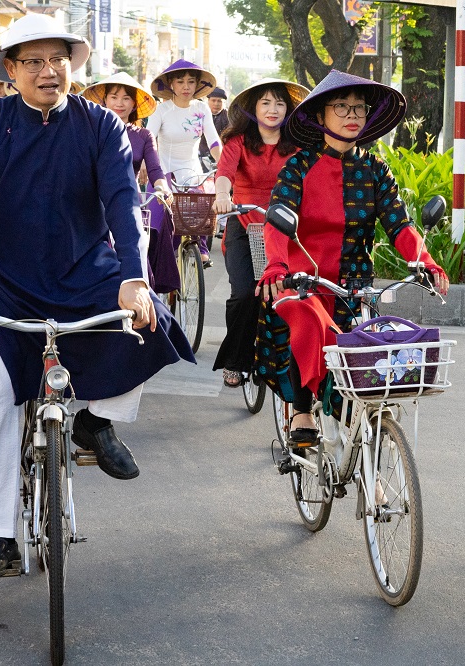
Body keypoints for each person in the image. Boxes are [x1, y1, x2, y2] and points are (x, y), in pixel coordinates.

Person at [0, 13, 194, 578]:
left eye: (57, 59)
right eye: (32, 61)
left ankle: (94, 422)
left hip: (86, 269)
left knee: (148, 323)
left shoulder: (101, 125)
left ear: (72, 65)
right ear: (10, 70)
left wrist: (134, 276)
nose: (47, 71)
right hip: (3, 281)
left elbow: (122, 203)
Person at [257, 70, 449, 442]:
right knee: (307, 318)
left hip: (354, 286)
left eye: (359, 108)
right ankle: (301, 412)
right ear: (319, 116)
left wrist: (425, 260)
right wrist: (277, 265)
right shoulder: (298, 167)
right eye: (341, 106)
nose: (352, 115)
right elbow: (277, 222)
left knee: (372, 359)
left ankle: (369, 464)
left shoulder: (376, 171)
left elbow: (400, 226)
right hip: (303, 280)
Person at [211, 78, 308, 388]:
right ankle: (235, 361)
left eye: (279, 103)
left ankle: (289, 360)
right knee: (244, 293)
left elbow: (311, 177)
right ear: (253, 108)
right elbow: (224, 174)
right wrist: (222, 196)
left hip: (286, 226)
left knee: (295, 291)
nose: (273, 109)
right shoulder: (237, 141)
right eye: (265, 103)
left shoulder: (298, 143)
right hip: (243, 223)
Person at [81, 72, 177, 293]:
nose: (119, 103)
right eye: (114, 97)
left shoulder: (143, 135)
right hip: (92, 205)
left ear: (134, 104)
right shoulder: (91, 130)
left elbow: (154, 169)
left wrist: (162, 187)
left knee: (137, 253)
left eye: (126, 98)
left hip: (127, 205)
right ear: (104, 100)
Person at [147, 59, 223, 267]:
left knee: (202, 212)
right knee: (159, 227)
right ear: (171, 84)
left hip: (192, 173)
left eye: (191, 81)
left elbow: (214, 140)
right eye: (180, 81)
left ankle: (200, 246)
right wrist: (150, 169)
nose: (186, 87)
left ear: (198, 84)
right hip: (163, 173)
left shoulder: (202, 109)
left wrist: (224, 165)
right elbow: (150, 139)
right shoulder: (161, 110)